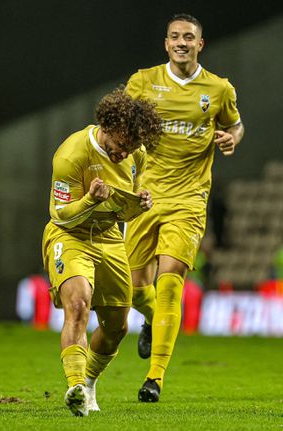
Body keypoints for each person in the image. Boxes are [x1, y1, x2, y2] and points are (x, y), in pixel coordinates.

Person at [124, 13, 245, 402]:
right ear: (166, 44)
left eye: (188, 37)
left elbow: (236, 125)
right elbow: (118, 127)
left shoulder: (219, 89)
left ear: (200, 44)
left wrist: (232, 138)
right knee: (135, 287)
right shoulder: (142, 82)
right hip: (144, 196)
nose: (181, 42)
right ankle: (148, 318)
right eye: (175, 36)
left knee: (171, 280)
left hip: (190, 199)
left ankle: (154, 378)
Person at [42, 88, 162, 416]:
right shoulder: (71, 154)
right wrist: (90, 200)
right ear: (106, 126)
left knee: (117, 329)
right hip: (70, 236)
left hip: (109, 240)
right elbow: (60, 214)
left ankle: (89, 384)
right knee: (78, 306)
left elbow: (120, 211)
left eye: (132, 148)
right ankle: (76, 386)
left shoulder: (136, 156)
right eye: (120, 146)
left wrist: (139, 206)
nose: (124, 154)